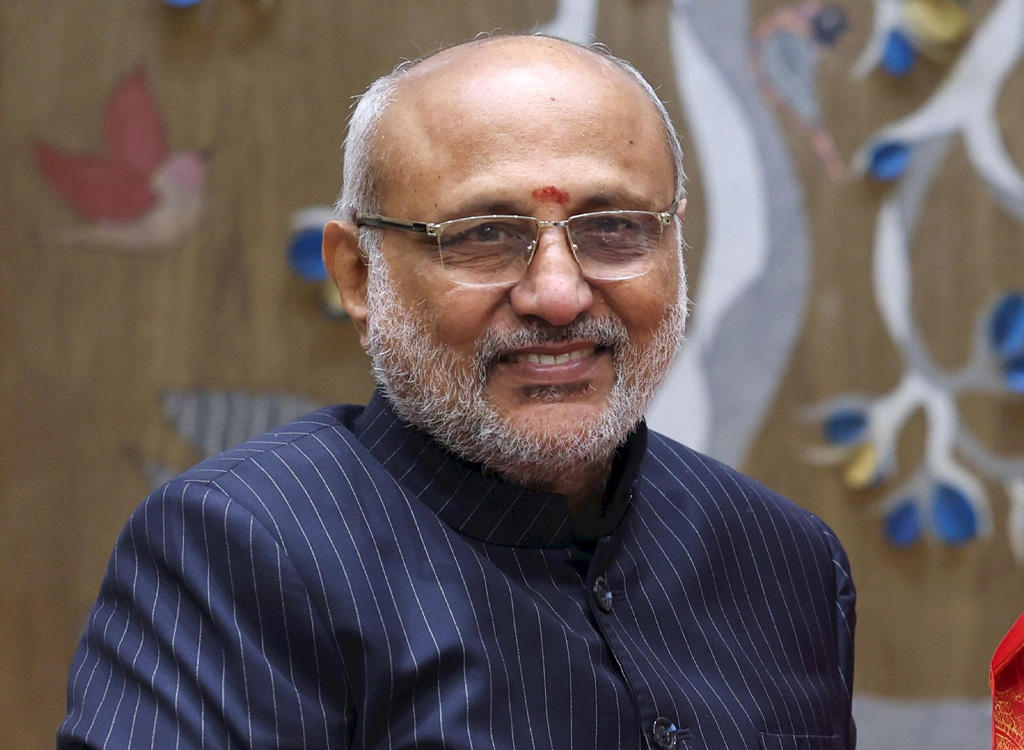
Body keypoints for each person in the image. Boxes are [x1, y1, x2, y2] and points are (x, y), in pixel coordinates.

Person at [58, 34, 856, 750]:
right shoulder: (239, 551)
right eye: (484, 236)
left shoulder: (787, 559)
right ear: (358, 276)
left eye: (613, 227)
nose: (558, 295)